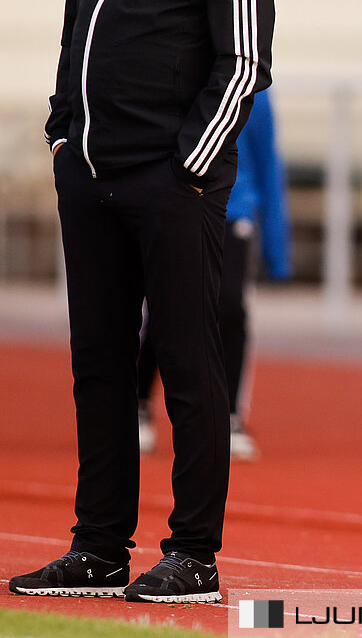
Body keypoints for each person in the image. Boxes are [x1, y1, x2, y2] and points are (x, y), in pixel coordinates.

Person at [12, 0, 275, 605]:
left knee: (192, 368)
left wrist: (188, 168)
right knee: (100, 368)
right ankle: (98, 546)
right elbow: (73, 34)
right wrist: (63, 138)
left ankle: (193, 551)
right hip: (90, 178)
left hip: (172, 183)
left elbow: (244, 60)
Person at [138, 89, 291, 460]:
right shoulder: (174, 73)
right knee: (168, 308)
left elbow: (268, 162)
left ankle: (230, 416)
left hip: (234, 212)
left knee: (229, 308)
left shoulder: (255, 90)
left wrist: (277, 249)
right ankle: (140, 403)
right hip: (179, 206)